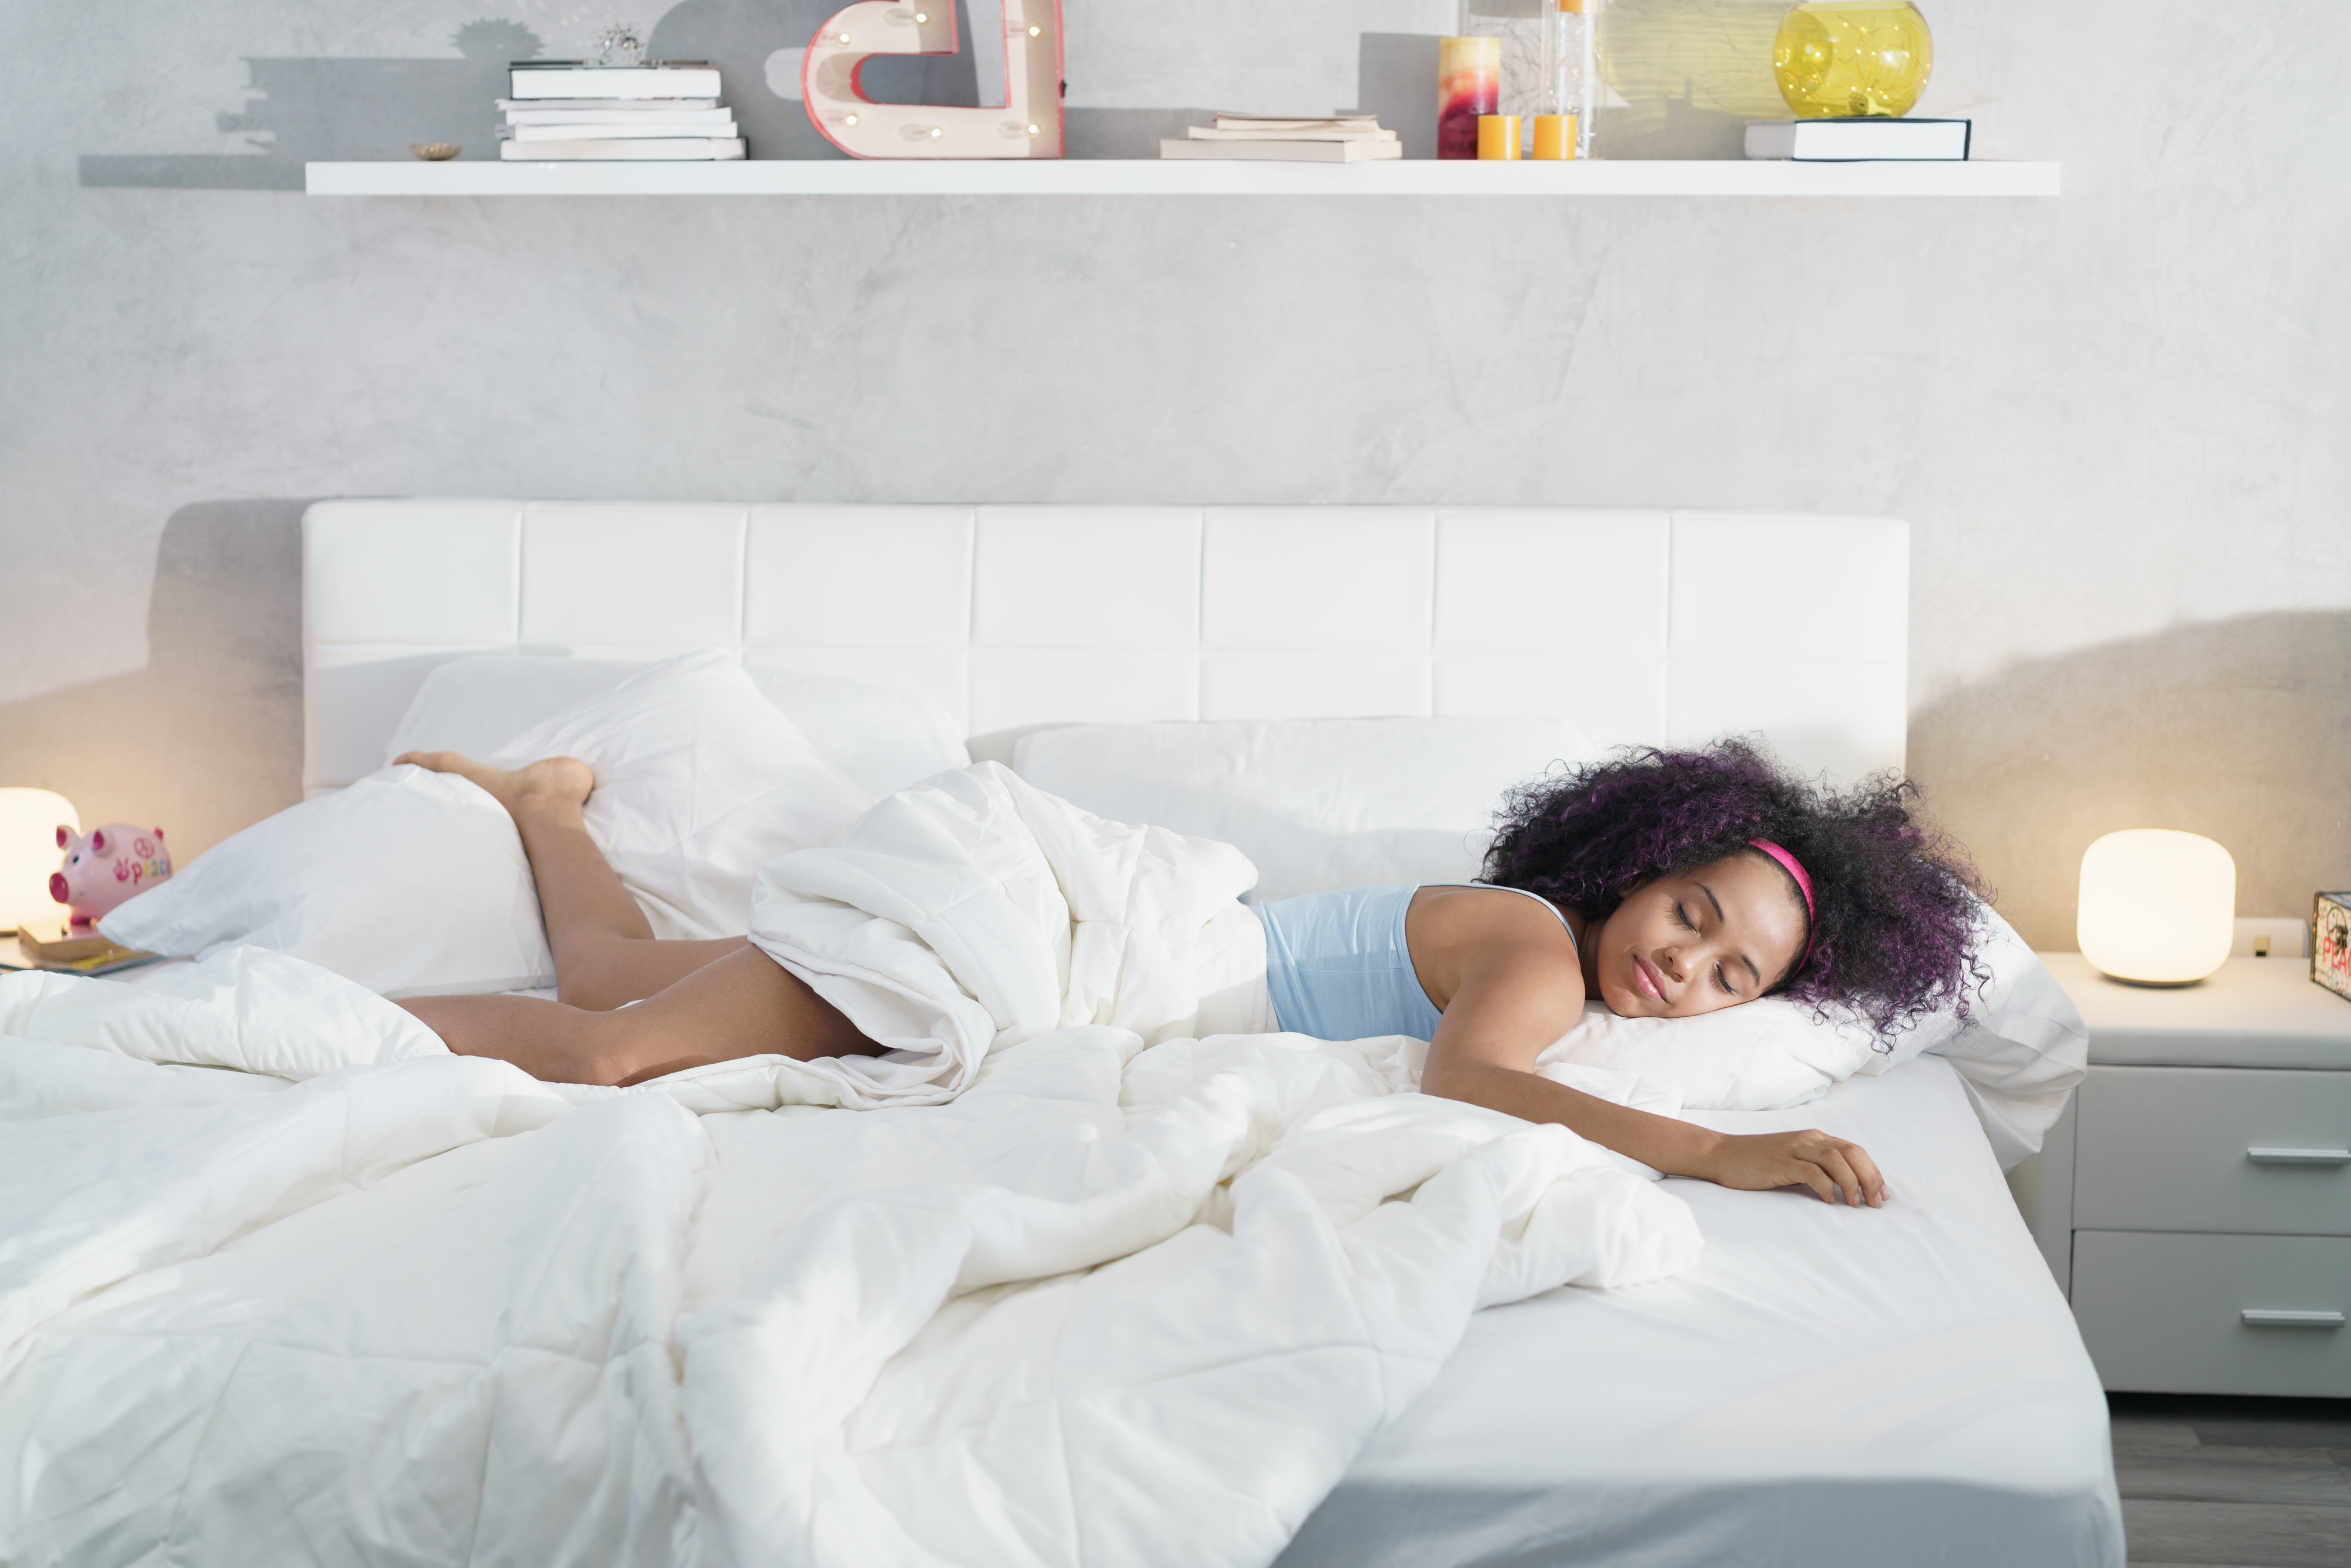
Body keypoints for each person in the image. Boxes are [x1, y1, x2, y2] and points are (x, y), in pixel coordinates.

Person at [393, 740, 1987, 1209]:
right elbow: (1473, 1082)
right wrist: (1720, 1149)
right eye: (1693, 911)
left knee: (614, 975)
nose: (1685, 964)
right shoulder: (1534, 952)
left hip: (1093, 949)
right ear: (1645, 861)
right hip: (1083, 935)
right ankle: (299, 1019)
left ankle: (543, 806)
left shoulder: (1564, 961)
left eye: (1729, 978)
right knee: (611, 1053)